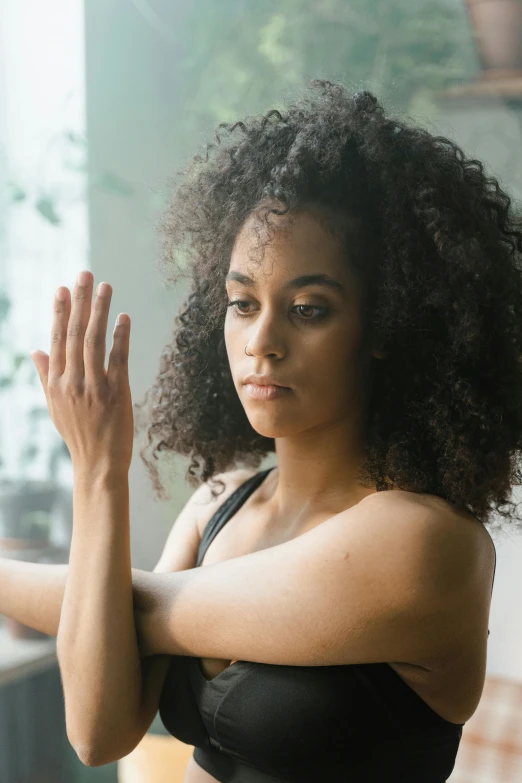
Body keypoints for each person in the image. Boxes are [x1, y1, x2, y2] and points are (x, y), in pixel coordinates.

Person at [2, 79, 521, 782]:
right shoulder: (220, 502)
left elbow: (134, 606)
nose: (262, 342)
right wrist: (98, 474)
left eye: (308, 309)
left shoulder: (425, 544)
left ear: (384, 324)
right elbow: (98, 732)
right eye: (243, 302)